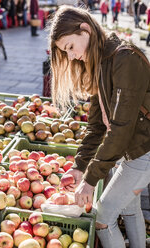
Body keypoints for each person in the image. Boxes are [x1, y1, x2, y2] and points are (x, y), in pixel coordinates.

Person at [49, 6, 150, 248]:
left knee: (103, 217)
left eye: (70, 47)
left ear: (86, 29)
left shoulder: (125, 59)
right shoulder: (102, 62)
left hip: (143, 149)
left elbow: (121, 128)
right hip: (131, 149)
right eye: (66, 52)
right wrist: (79, 166)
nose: (71, 57)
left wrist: (91, 179)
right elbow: (96, 126)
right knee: (129, 207)